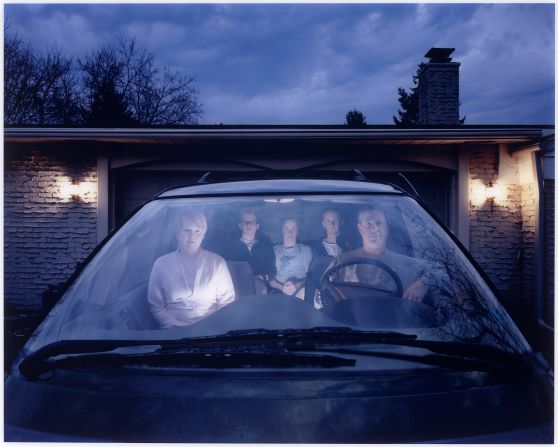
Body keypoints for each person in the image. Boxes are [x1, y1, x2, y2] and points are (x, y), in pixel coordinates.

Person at [147, 210, 235, 328]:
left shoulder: (217, 263)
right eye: (187, 230)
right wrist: (174, 326)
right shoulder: (161, 264)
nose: (192, 236)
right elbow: (156, 306)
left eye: (197, 231)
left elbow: (227, 303)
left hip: (212, 331)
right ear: (178, 233)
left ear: (203, 235)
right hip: (173, 332)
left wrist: (212, 327)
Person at [334, 208, 429, 302]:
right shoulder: (341, 262)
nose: (374, 229)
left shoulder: (405, 263)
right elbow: (323, 290)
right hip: (349, 315)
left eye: (379, 223)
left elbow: (438, 270)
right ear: (360, 229)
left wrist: (423, 283)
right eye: (368, 224)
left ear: (387, 228)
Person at [220, 208, 276, 292]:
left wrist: (262, 277)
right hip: (236, 284)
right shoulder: (230, 246)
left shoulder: (266, 246)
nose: (248, 224)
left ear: (257, 226)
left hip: (259, 285)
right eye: (245, 221)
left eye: (252, 222)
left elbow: (272, 271)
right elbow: (224, 267)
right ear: (240, 225)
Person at [269, 217, 312, 299]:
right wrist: (282, 288)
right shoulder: (273, 251)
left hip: (301, 291)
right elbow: (269, 279)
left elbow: (310, 277)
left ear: (297, 231)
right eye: (286, 229)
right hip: (278, 292)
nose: (290, 232)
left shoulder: (306, 250)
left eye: (293, 228)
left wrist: (296, 285)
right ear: (281, 231)